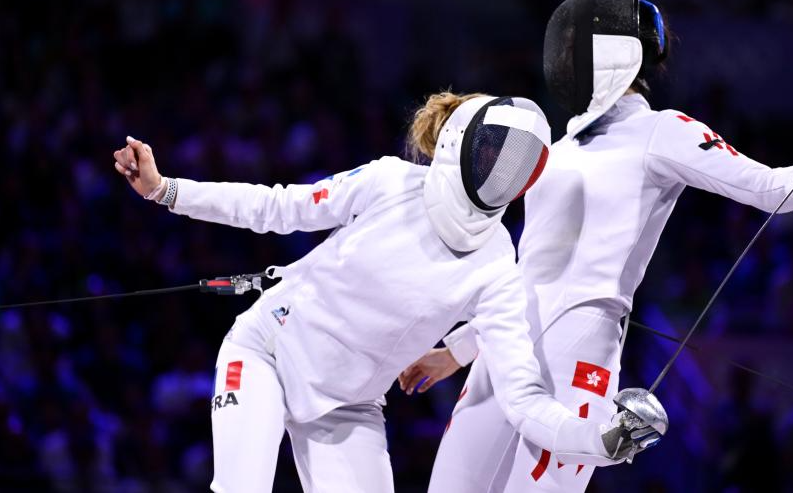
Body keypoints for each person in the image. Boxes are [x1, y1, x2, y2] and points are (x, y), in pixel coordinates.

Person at [401, 0, 793, 492]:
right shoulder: (555, 150)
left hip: (582, 339)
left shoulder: (660, 131)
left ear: (607, 55)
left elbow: (771, 188)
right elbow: (526, 271)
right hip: (508, 337)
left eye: (573, 49)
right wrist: (457, 351)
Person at [112, 92, 625, 493]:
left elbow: (523, 398)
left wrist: (597, 438)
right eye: (495, 152)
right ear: (460, 141)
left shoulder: (497, 265)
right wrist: (165, 189)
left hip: (350, 406)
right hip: (267, 352)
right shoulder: (389, 181)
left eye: (516, 165)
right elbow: (277, 207)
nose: (500, 172)